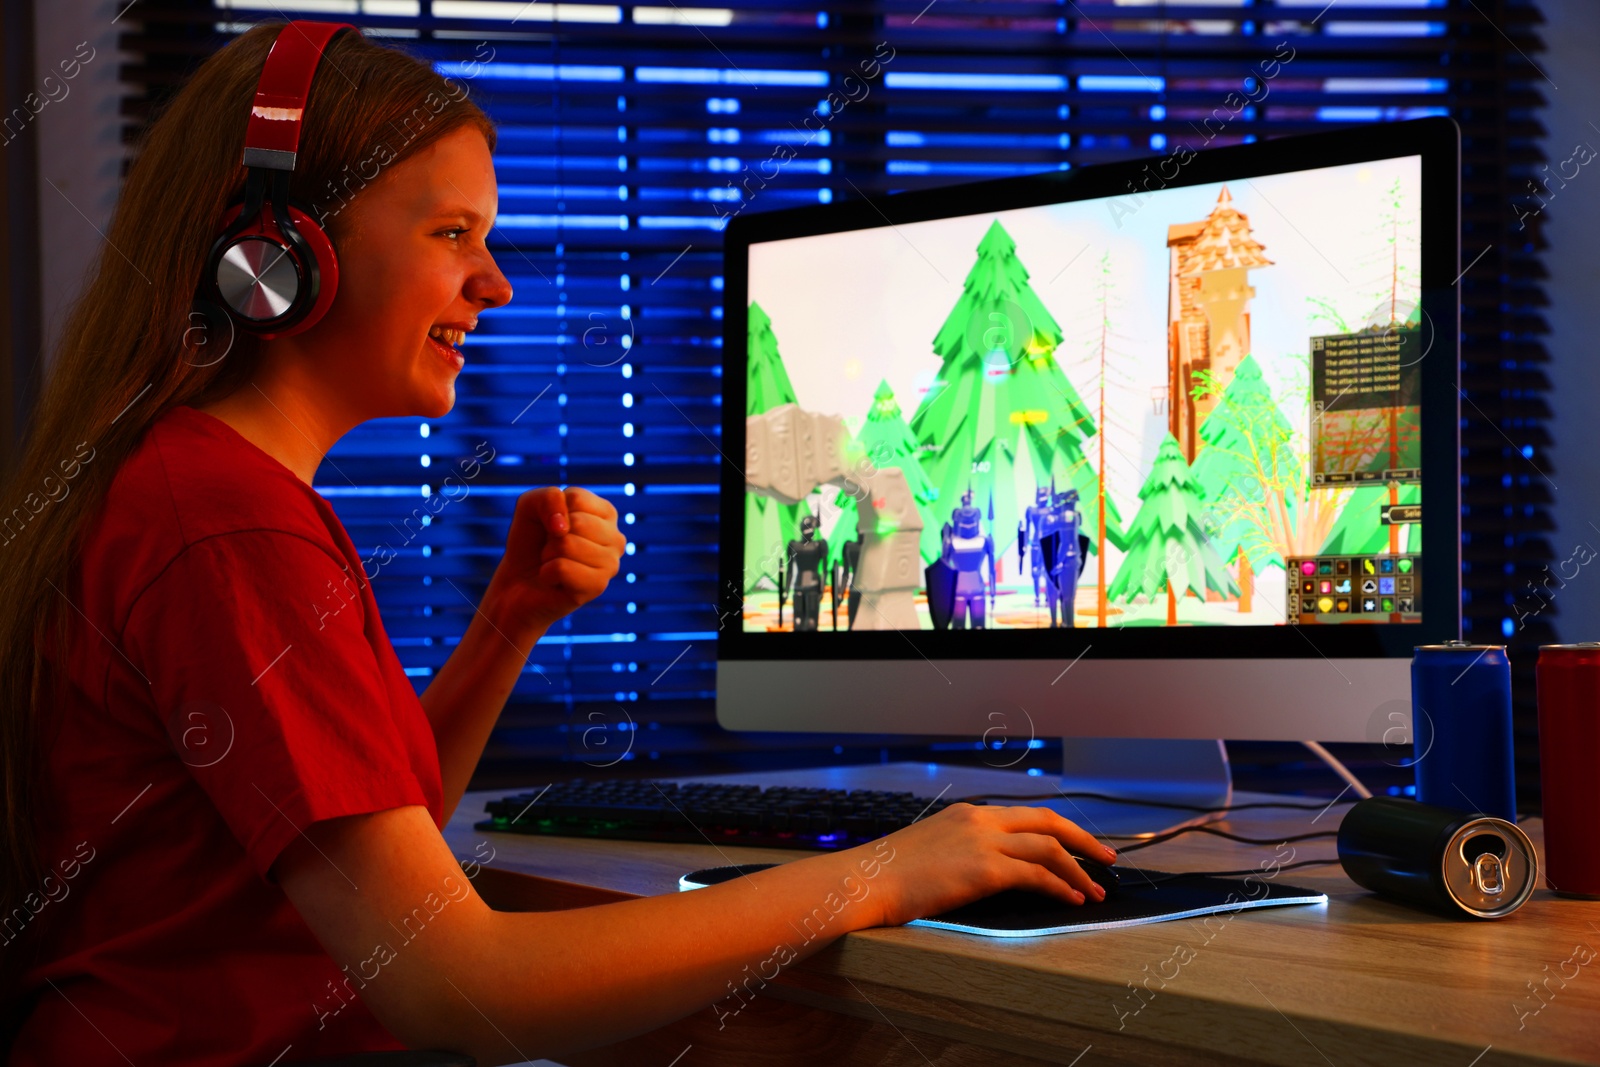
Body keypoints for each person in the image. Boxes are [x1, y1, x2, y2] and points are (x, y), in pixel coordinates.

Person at [0, 21, 1115, 1066]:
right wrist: (888, 868)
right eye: (453, 235)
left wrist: (505, 624)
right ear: (280, 254)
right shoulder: (229, 524)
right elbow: (454, 983)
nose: (496, 284)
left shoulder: (194, 486)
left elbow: (359, 859)